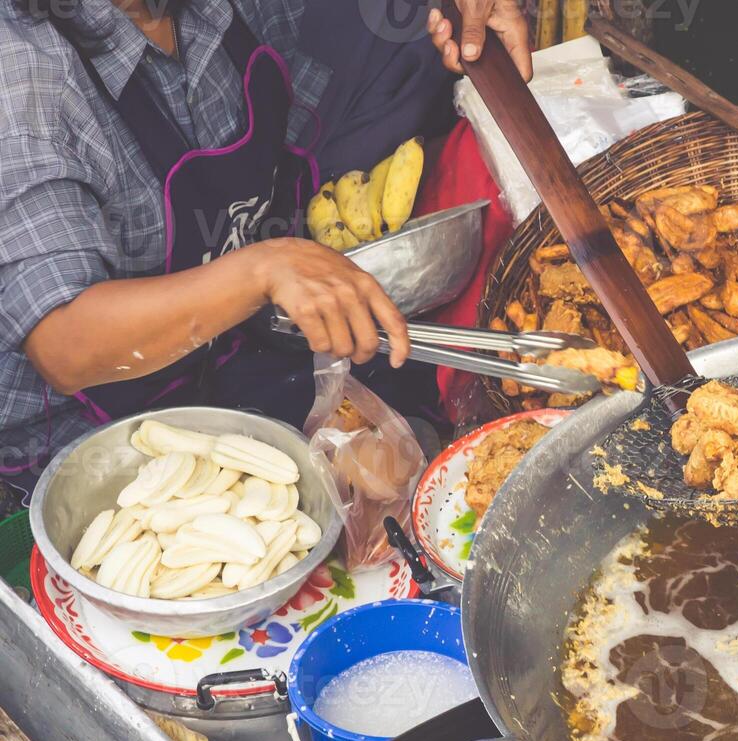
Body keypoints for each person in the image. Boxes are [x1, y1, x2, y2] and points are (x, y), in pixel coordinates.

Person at [0, 0, 531, 496]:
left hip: (231, 347)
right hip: (99, 435)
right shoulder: (24, 79)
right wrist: (264, 269)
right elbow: (66, 343)